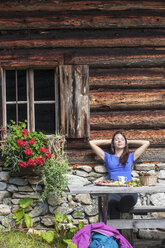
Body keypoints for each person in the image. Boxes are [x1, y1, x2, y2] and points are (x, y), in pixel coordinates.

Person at [89, 131, 150, 219]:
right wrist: (110, 142)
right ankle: (116, 231)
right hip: (114, 190)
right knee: (112, 202)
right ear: (113, 143)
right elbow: (92, 143)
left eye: (122, 139)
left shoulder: (131, 157)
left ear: (125, 143)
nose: (119, 141)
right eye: (117, 140)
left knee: (123, 204)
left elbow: (146, 143)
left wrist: (128, 141)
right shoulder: (108, 157)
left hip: (129, 190)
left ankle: (121, 212)